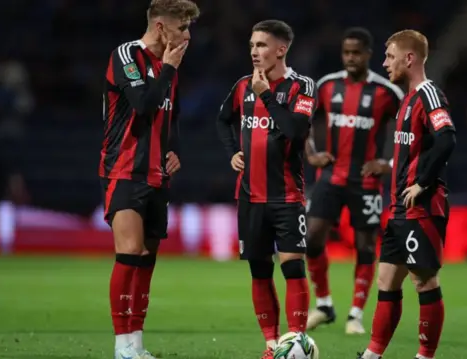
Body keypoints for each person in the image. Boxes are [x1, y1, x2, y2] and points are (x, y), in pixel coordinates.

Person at [99, 1, 199, 358]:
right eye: (182, 28)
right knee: (129, 253)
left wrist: (174, 151)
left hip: (157, 175)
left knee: (146, 260)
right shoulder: (127, 55)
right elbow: (143, 103)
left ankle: (136, 345)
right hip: (124, 170)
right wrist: (169, 70)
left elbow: (169, 118)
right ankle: (121, 345)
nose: (188, 36)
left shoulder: (168, 69)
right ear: (160, 28)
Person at [216, 19, 317, 359]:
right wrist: (233, 152)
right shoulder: (242, 85)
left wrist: (266, 96)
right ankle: (273, 345)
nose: (254, 52)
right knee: (260, 270)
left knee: (292, 266)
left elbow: (295, 131)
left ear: (281, 49)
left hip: (287, 195)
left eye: (261, 45)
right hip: (249, 196)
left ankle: (297, 340)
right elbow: (222, 120)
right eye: (251, 46)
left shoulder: (302, 87)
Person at [357, 29, 457, 359]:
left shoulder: (428, 94)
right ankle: (373, 354)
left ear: (409, 58)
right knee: (386, 280)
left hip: (422, 206)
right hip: (401, 208)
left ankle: (425, 356)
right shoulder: (408, 99)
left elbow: (446, 138)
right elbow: (415, 150)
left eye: (389, 56)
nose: (384, 63)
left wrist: (423, 182)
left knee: (424, 281)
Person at [305, 27, 404, 335]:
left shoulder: (387, 92)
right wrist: (311, 154)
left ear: (368, 55)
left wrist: (387, 164)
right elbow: (303, 121)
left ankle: (356, 314)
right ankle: (324, 304)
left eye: (356, 52)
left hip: (366, 182)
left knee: (364, 247)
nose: (350, 57)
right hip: (330, 177)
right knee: (311, 239)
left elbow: (411, 133)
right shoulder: (326, 85)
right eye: (346, 52)